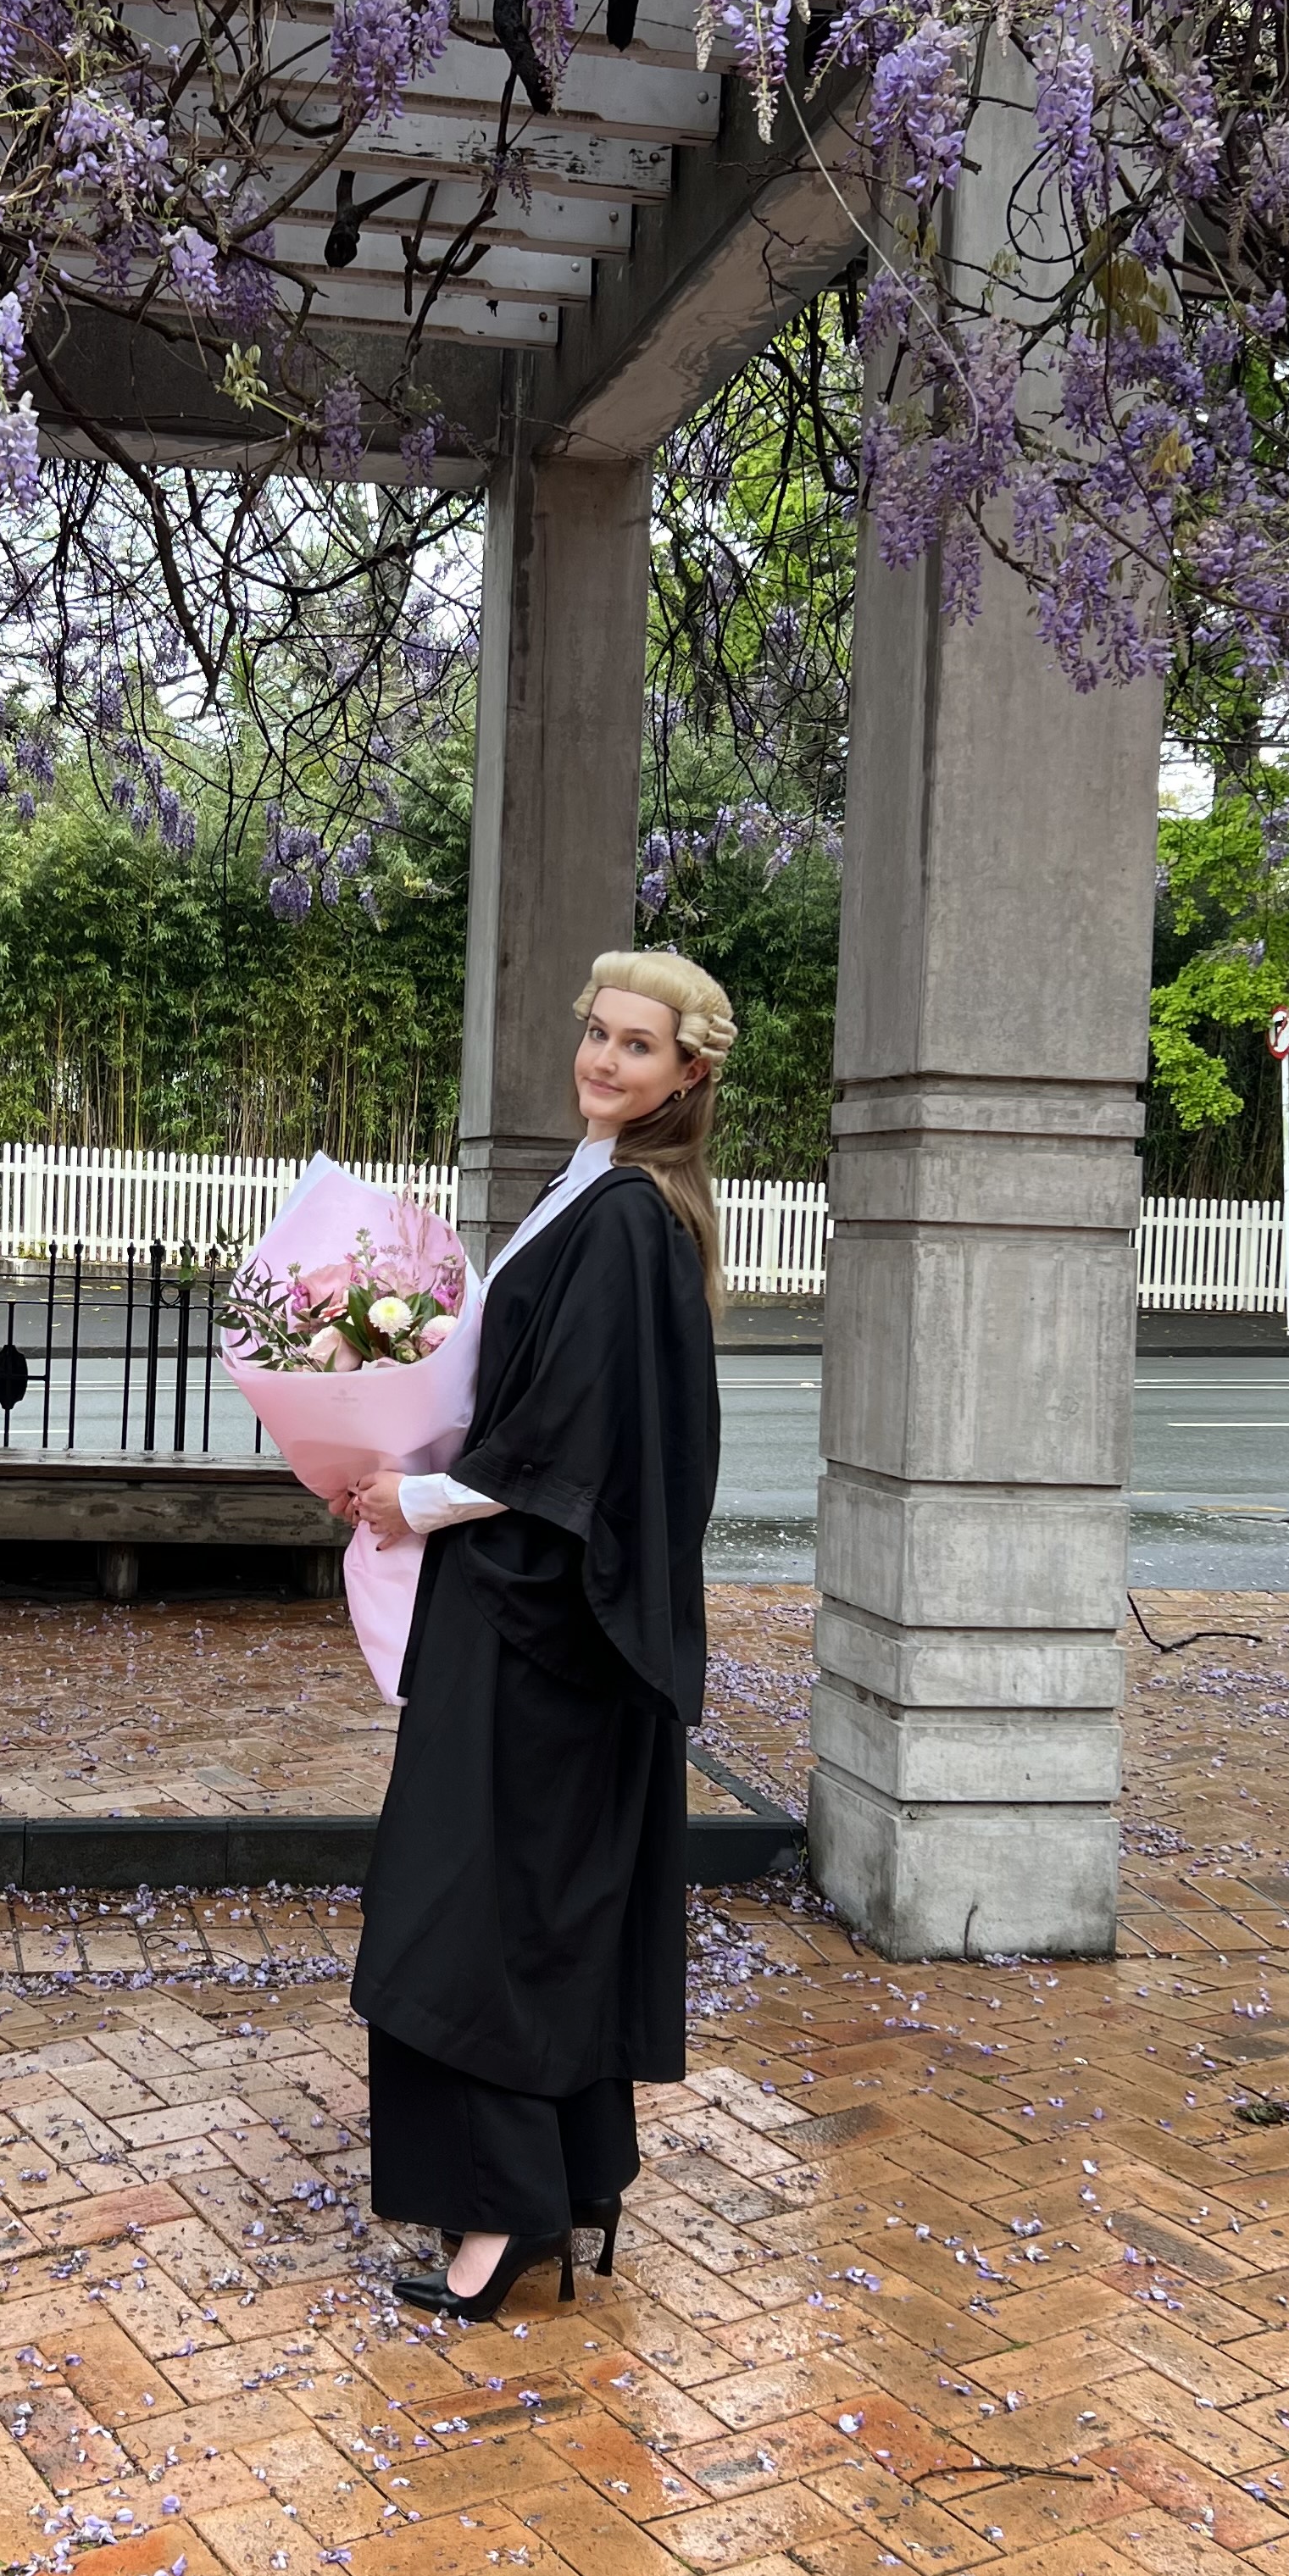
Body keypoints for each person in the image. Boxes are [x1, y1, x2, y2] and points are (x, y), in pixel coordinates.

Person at [341, 948, 733, 2322]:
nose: (604, 1060)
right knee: (512, 1900)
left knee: (475, 1910)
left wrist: (411, 1497)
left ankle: (504, 2212)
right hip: (525, 1615)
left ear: (688, 1071)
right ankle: (551, 2185)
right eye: (598, 1033)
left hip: (539, 1634)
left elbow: (562, 1447)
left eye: (638, 1045)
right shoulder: (600, 1189)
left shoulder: (628, 1219)